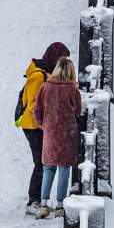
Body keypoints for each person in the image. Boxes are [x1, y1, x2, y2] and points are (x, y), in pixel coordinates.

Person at [15, 42, 71, 216]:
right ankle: (33, 201)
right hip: (32, 125)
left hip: (39, 125)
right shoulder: (38, 77)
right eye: (62, 59)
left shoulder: (46, 73)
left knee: (43, 161)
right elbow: (33, 104)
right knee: (41, 161)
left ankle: (38, 199)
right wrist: (47, 121)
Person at [33, 56, 82, 219]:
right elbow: (78, 110)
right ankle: (60, 206)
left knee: (48, 168)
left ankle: (43, 204)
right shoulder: (72, 89)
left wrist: (45, 126)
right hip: (67, 134)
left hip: (51, 133)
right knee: (64, 169)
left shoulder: (46, 87)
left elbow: (37, 111)